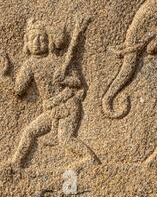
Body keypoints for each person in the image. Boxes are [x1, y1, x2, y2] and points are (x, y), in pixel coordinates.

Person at [0, 19, 99, 170]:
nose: (37, 42)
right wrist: (4, 75)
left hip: (68, 105)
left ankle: (89, 159)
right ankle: (16, 163)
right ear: (26, 42)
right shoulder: (30, 65)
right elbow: (18, 90)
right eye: (33, 38)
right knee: (29, 131)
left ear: (48, 40)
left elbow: (78, 82)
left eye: (41, 38)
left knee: (65, 139)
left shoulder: (58, 60)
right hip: (51, 109)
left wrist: (65, 79)